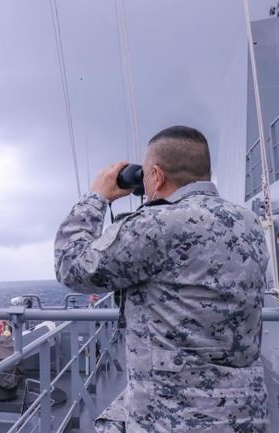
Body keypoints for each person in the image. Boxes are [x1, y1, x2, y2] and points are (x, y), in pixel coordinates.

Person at [54, 125, 269, 433]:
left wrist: (96, 196)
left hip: (174, 418)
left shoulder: (156, 224)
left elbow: (70, 265)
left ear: (155, 175)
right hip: (247, 413)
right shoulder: (247, 222)